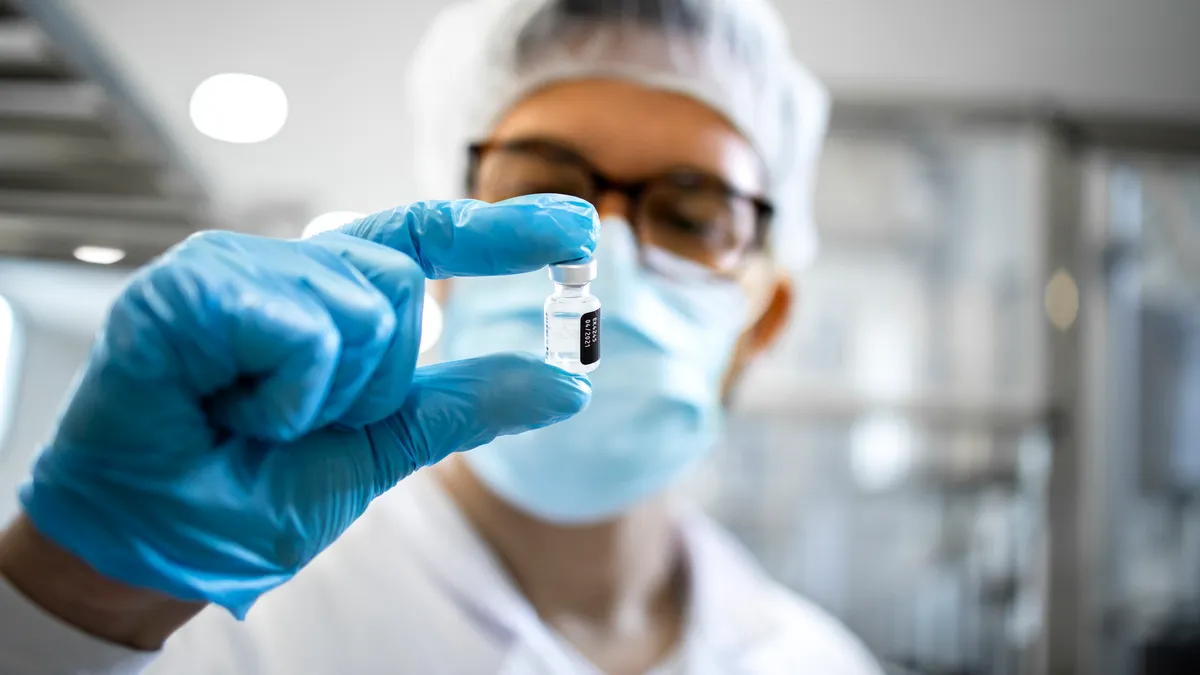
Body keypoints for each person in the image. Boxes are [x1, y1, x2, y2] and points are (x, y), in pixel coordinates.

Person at [0, 0, 883, 673]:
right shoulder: (215, 623)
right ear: (454, 256)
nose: (603, 249)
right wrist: (67, 609)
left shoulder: (813, 660)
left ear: (762, 318)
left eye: (692, 212)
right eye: (542, 188)